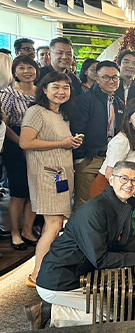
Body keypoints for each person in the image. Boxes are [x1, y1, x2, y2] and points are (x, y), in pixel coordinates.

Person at [29, 161, 135, 328]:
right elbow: (101, 260)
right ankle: (49, 312)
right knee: (116, 316)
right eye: (123, 178)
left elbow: (126, 242)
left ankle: (59, 310)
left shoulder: (123, 204)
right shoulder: (94, 210)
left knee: (120, 307)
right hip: (58, 281)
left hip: (80, 275)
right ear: (111, 180)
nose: (129, 184)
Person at [20, 72, 81, 288]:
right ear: (44, 89)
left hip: (62, 175)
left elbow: (59, 142)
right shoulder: (36, 111)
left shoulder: (62, 114)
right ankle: (37, 275)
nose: (61, 91)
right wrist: (61, 143)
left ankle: (45, 270)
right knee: (53, 224)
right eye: (56, 87)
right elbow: (25, 142)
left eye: (66, 87)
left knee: (55, 225)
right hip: (46, 175)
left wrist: (70, 143)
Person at [71, 60, 124, 209]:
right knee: (86, 203)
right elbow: (78, 128)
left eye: (115, 77)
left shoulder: (119, 103)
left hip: (110, 159)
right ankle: (81, 232)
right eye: (106, 77)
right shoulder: (84, 100)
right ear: (97, 79)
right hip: (89, 159)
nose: (111, 81)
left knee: (107, 203)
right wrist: (80, 158)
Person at [1, 56, 39, 251]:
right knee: (18, 191)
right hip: (15, 144)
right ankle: (15, 232)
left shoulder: (41, 93)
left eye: (30, 67)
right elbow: (4, 125)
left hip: (39, 145)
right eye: (21, 68)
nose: (27, 71)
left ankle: (28, 230)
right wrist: (22, 143)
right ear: (15, 72)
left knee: (35, 190)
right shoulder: (8, 94)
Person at [90, 98, 135, 197]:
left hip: (126, 183)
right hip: (107, 187)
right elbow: (109, 173)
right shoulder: (121, 140)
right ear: (129, 119)